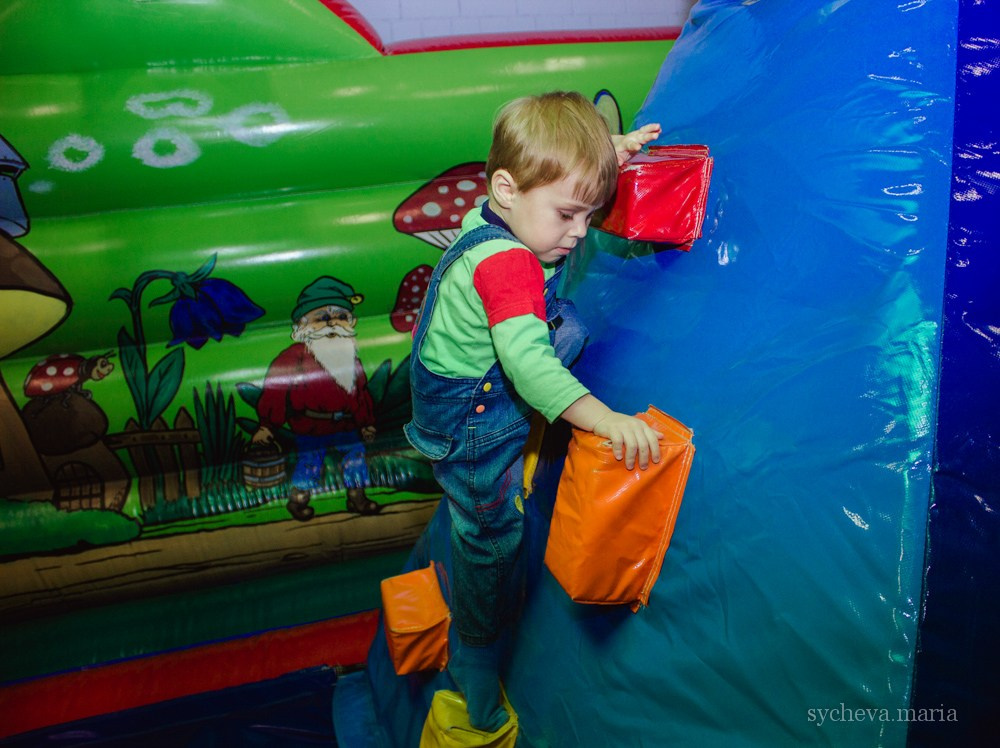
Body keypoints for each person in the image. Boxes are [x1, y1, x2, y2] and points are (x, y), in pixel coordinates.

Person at [404, 91, 663, 732]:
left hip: (468, 391)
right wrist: (606, 420)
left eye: (590, 213)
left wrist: (606, 154)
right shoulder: (510, 266)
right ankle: (477, 664)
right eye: (569, 214)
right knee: (493, 544)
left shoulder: (497, 213)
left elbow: (543, 185)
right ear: (507, 188)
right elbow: (528, 365)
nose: (579, 233)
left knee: (565, 320)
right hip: (470, 424)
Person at [253, 276, 380, 521]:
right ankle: (298, 500)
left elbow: (360, 392)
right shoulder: (294, 357)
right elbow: (275, 391)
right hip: (310, 426)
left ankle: (357, 497)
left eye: (340, 317)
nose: (333, 323)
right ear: (304, 324)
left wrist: (366, 422)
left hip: (346, 424)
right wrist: (267, 425)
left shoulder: (349, 354)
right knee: (310, 462)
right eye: (322, 318)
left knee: (355, 456)